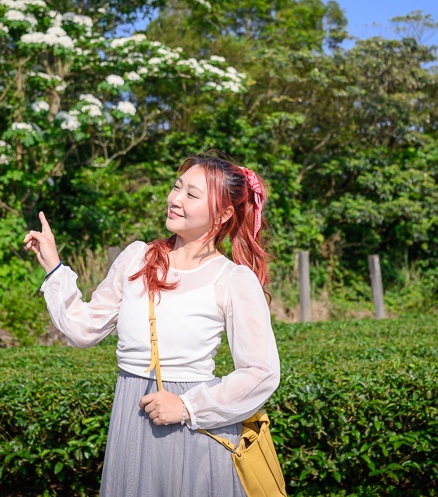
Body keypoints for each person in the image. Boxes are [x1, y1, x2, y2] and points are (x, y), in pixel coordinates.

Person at [25, 153, 281, 496]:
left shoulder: (233, 279)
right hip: (130, 425)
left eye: (191, 194)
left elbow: (260, 372)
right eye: (176, 187)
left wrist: (187, 406)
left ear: (222, 214)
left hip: (193, 431)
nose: (174, 199)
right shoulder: (136, 258)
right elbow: (83, 329)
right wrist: (54, 267)